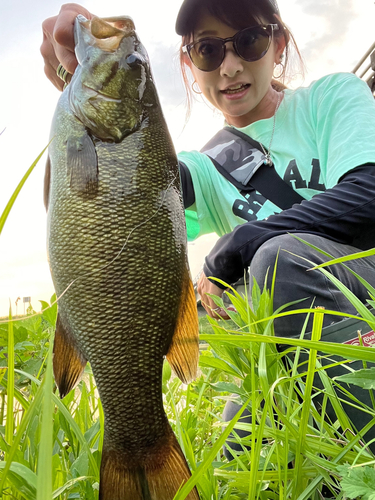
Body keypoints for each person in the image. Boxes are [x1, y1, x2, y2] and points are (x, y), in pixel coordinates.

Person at [41, 0, 375, 450]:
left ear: (278, 43)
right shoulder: (201, 168)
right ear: (188, 65)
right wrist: (76, 75)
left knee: (281, 259)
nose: (230, 66)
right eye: (209, 50)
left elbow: (369, 194)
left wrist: (244, 240)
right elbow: (119, 197)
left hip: (362, 294)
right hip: (285, 348)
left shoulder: (332, 97)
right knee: (234, 454)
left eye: (249, 41)